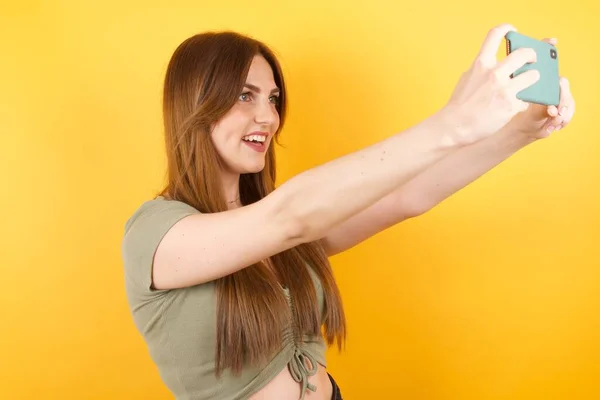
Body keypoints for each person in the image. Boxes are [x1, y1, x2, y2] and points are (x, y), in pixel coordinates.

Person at [121, 24, 575, 400]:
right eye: (245, 96)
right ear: (196, 103)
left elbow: (405, 197)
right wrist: (454, 121)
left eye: (273, 99)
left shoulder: (284, 221)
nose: (268, 117)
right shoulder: (157, 234)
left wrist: (518, 134)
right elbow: (289, 217)